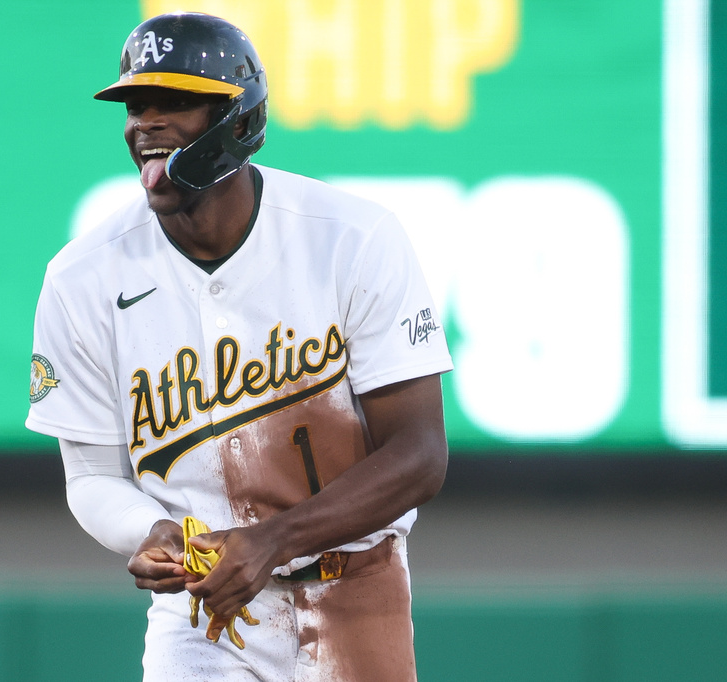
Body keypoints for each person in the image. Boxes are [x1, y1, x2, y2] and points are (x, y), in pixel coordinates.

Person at [26, 11, 452, 682]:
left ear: (237, 118)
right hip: (201, 613)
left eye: (176, 102)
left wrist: (273, 540)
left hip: (357, 589)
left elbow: (420, 455)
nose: (146, 124)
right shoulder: (82, 277)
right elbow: (93, 478)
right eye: (138, 105)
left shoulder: (350, 239)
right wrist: (147, 530)